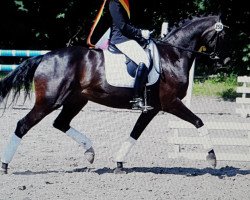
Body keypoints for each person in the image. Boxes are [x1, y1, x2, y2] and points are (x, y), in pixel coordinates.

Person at [108, 0, 153, 110]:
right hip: (121, 39)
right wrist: (140, 33)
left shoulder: (128, 2)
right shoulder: (115, 2)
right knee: (144, 61)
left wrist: (142, 33)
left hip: (132, 38)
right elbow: (122, 26)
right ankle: (136, 99)